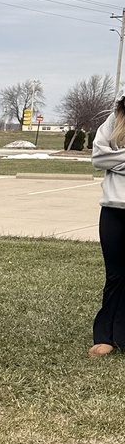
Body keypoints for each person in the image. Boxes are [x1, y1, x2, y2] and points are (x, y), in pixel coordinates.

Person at [89, 92, 125, 356]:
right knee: (115, 276)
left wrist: (118, 160)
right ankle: (104, 337)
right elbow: (99, 158)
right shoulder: (114, 121)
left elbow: (110, 160)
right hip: (113, 210)